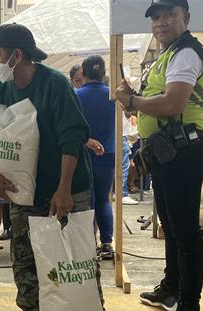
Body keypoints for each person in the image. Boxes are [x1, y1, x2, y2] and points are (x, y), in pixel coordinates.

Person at [0, 23, 109, 311]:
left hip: (67, 186)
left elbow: (72, 137)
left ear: (17, 55)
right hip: (22, 191)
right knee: (24, 257)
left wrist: (63, 189)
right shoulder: (1, 91)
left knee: (76, 256)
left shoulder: (55, 84)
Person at [115, 0, 203, 311]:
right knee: (171, 226)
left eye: (169, 15)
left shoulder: (186, 53)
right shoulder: (168, 54)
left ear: (185, 17)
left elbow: (173, 102)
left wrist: (132, 101)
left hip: (184, 152)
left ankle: (190, 309)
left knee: (185, 232)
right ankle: (171, 289)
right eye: (155, 17)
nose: (160, 22)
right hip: (168, 152)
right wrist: (136, 103)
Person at [75, 55, 116, 260]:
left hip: (83, 153)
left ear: (83, 72)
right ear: (103, 73)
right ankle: (107, 243)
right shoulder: (113, 96)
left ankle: (88, 245)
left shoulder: (75, 95)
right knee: (103, 200)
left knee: (86, 200)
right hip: (108, 153)